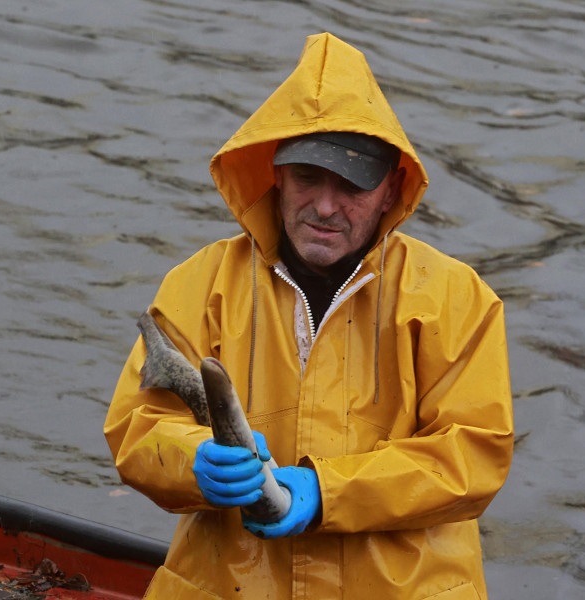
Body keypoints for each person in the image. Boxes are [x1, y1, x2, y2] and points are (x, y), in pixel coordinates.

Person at [104, 32, 513, 600]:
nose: (325, 206)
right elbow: (136, 429)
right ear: (275, 171)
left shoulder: (456, 298)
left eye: (352, 185)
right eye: (307, 177)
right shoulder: (196, 286)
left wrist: (327, 491)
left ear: (392, 185)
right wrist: (191, 459)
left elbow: (472, 455)